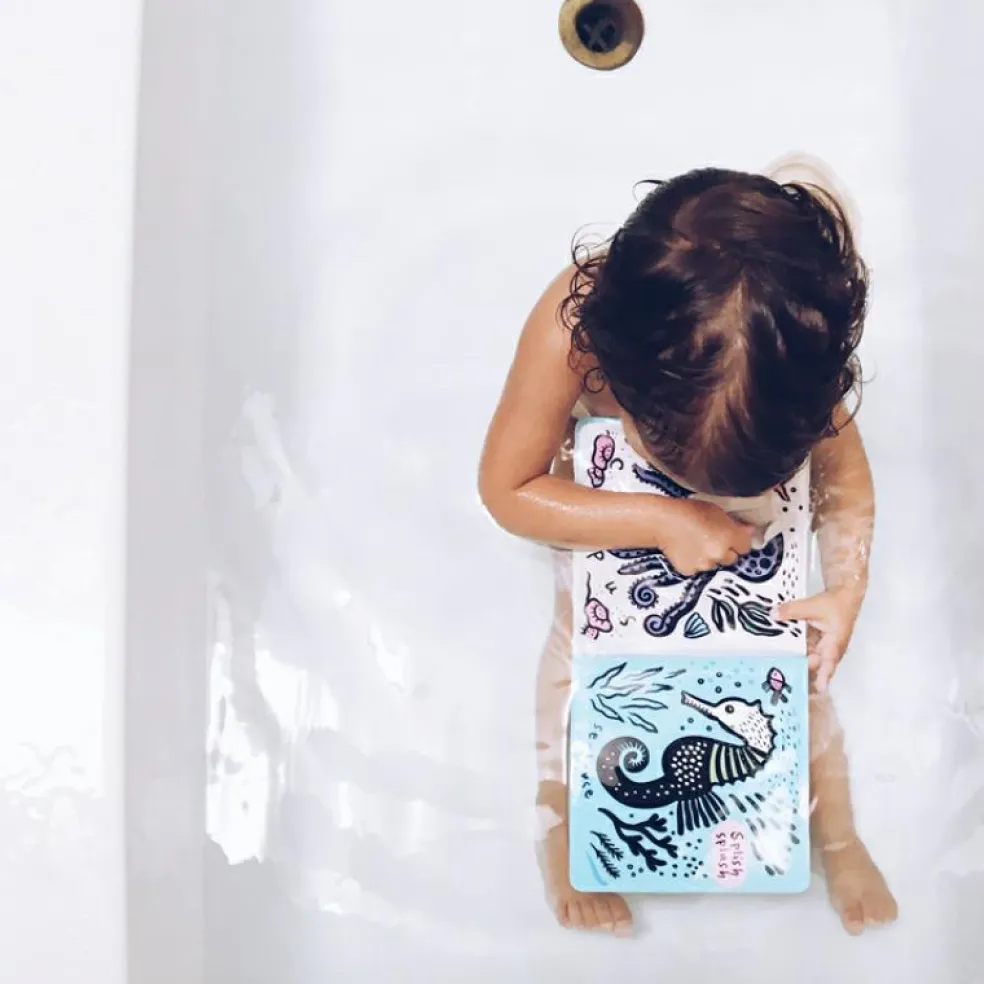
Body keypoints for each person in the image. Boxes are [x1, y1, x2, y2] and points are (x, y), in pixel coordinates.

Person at [478, 157, 899, 936]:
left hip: (746, 560)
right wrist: (660, 517)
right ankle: (563, 810)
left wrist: (847, 589)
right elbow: (508, 489)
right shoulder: (574, 331)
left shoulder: (790, 346)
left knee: (795, 678)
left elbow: (845, 479)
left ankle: (837, 837)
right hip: (606, 516)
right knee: (578, 655)